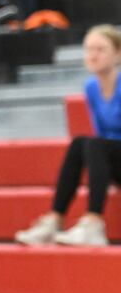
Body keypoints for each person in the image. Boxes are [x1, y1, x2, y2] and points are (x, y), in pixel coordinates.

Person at [16, 25, 121, 246]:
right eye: (89, 49)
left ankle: (93, 223)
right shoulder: (91, 87)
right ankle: (55, 219)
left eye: (100, 49)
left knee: (94, 144)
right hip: (114, 157)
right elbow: (102, 133)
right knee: (80, 143)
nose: (93, 55)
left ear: (117, 54)